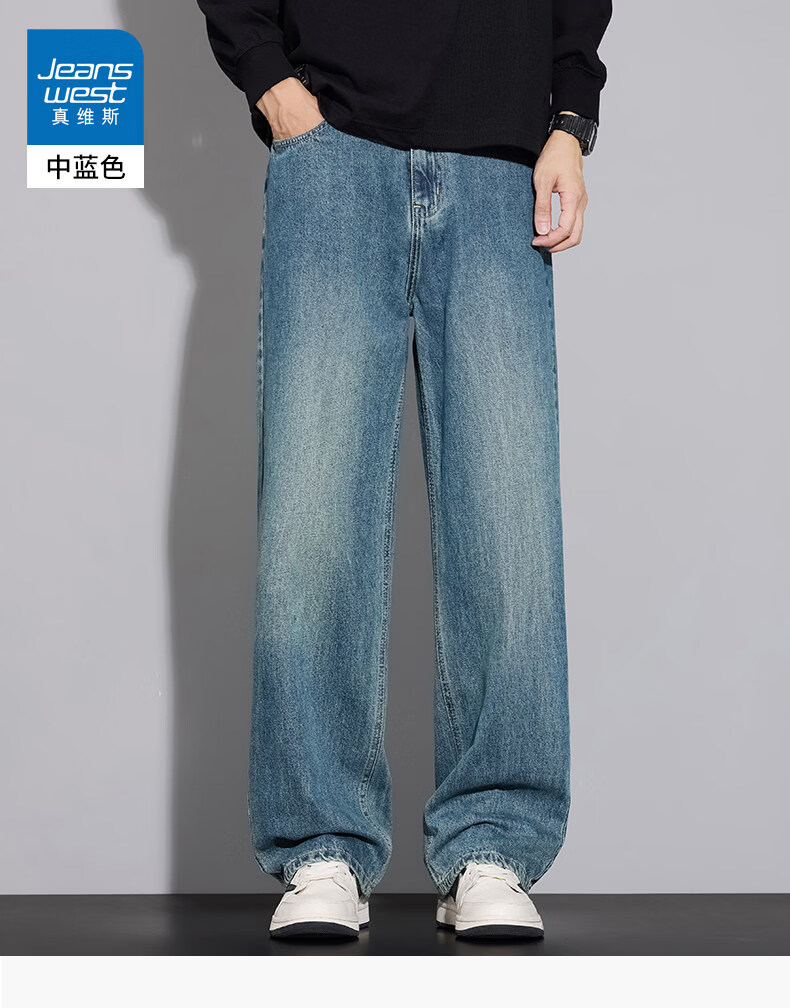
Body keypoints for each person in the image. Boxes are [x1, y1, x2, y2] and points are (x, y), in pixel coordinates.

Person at [196, 0, 611, 940]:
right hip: (331, 151)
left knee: (507, 524)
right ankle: (322, 847)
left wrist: (570, 118)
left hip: (504, 156)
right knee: (312, 518)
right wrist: (272, 84)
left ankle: (493, 847)